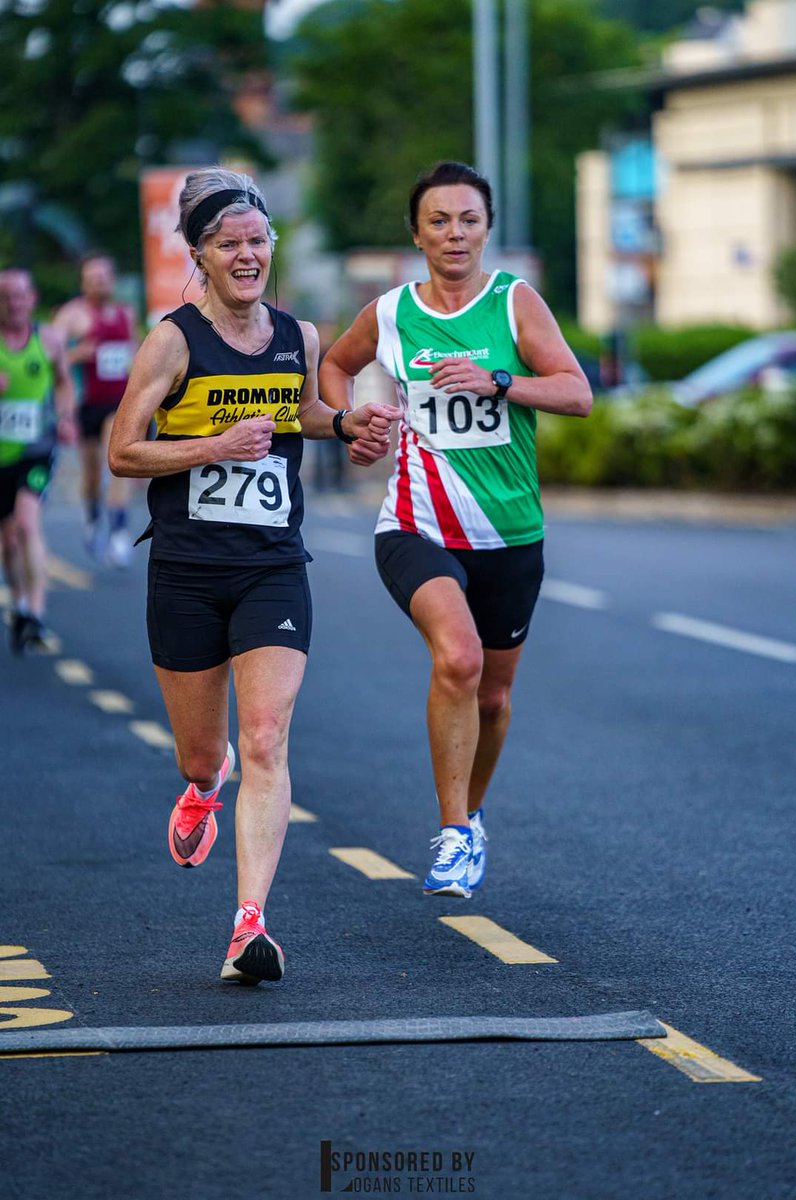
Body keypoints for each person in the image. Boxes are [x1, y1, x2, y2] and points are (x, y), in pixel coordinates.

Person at [108, 167, 399, 984]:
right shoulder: (171, 341)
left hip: (273, 564)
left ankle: (249, 927)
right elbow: (122, 451)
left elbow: (298, 410)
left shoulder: (297, 336)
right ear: (199, 254)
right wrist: (212, 446)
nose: (247, 255)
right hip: (187, 571)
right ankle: (205, 783)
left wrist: (346, 423)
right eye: (228, 244)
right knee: (207, 756)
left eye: (257, 241)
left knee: (267, 736)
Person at [319, 161, 592, 898]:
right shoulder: (391, 311)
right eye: (438, 220)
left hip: (510, 532)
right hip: (415, 524)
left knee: (495, 698)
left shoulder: (515, 304)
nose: (454, 233)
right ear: (416, 233)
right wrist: (353, 425)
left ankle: (470, 819)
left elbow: (577, 392)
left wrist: (499, 381)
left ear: (487, 229)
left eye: (468, 219)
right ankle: (451, 833)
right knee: (459, 659)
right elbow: (335, 366)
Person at [0, 269, 76, 654]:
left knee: (28, 524)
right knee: (8, 541)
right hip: (1, 457)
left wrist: (64, 418)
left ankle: (37, 613)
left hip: (35, 449)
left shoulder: (47, 340)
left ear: (32, 299)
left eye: (20, 296)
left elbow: (64, 382)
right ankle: (19, 600)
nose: (14, 303)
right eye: (6, 297)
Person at [54, 253, 137, 566]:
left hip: (118, 402)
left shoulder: (124, 314)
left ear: (112, 280)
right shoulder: (72, 316)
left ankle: (118, 531)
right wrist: (79, 352)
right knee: (91, 475)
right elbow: (53, 355)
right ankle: (92, 517)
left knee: (114, 461)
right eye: (92, 278)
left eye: (103, 278)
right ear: (83, 283)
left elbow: (134, 352)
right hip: (86, 403)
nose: (98, 284)